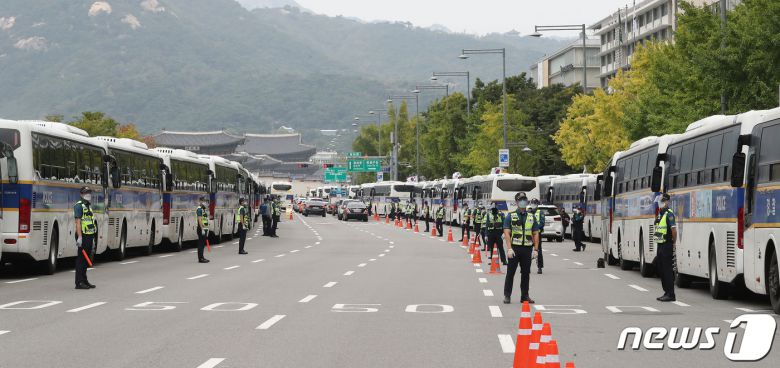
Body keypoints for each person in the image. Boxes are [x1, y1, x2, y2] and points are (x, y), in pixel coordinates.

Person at [503, 192, 542, 304]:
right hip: (515, 248)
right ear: (516, 202)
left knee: (526, 273)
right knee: (510, 273)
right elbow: (507, 233)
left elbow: (535, 233)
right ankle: (507, 295)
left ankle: (524, 296)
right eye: (520, 200)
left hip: (527, 249)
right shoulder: (511, 216)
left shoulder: (531, 216)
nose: (523, 202)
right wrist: (509, 248)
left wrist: (536, 249)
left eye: (524, 199)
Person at [655, 193, 677, 302]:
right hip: (660, 244)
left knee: (667, 270)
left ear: (667, 202)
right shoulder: (660, 214)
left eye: (663, 201)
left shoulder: (669, 214)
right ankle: (666, 292)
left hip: (667, 245)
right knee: (661, 269)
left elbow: (673, 230)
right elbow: (659, 229)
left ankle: (670, 294)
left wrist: (674, 242)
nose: (661, 203)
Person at [74, 187, 97, 289]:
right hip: (82, 235)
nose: (88, 194)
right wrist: (79, 237)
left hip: (89, 235)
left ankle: (84, 280)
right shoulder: (79, 206)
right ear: (81, 194)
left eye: (89, 193)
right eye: (86, 193)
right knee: (81, 260)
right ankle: (79, 282)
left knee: (86, 259)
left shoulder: (88, 206)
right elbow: (78, 223)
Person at [528, 199, 545, 274]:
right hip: (528, 234)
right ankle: (527, 267)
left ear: (537, 204)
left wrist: (535, 228)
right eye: (532, 203)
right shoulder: (528, 212)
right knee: (527, 251)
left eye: (535, 203)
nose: (533, 204)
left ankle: (540, 267)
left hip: (537, 234)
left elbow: (542, 223)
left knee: (538, 251)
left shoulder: (540, 212)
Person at [196, 196, 210, 263]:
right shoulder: (199, 209)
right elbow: (199, 219)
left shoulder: (203, 209)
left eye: (205, 201)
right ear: (200, 201)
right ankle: (200, 258)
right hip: (201, 228)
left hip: (204, 228)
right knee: (201, 244)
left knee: (202, 244)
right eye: (203, 201)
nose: (205, 202)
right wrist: (202, 229)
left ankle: (202, 257)